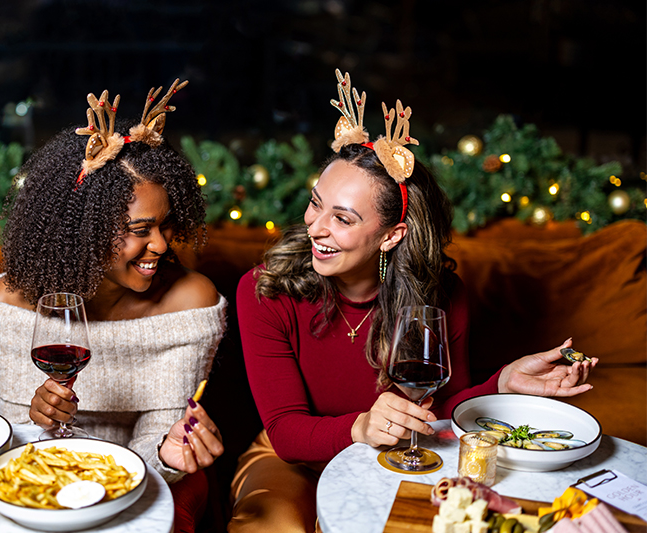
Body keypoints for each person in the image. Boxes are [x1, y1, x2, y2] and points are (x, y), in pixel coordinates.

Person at [228, 70, 597, 533]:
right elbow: (285, 430)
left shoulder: (439, 296)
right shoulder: (266, 289)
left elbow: (438, 412)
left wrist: (503, 384)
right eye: (315, 203)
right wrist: (359, 428)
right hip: (293, 459)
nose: (316, 228)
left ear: (391, 235)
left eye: (342, 218)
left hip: (398, 455)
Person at [0, 79, 225, 532]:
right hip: (48, 481)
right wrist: (38, 423)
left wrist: (169, 453)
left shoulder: (188, 305)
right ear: (82, 233)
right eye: (140, 229)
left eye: (165, 225)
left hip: (156, 483)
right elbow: (20, 455)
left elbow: (158, 444)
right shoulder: (6, 311)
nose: (162, 245)